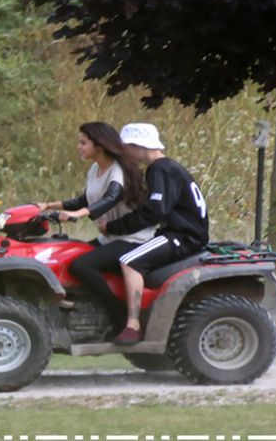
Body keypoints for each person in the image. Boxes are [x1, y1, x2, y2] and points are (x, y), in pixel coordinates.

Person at [98, 123, 210, 345]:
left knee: (129, 261)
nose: (125, 154)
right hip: (179, 232)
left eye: (127, 147)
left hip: (182, 236)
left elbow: (155, 211)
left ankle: (132, 325)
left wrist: (114, 227)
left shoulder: (160, 168)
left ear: (140, 146)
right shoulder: (169, 168)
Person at [38, 122, 155, 328]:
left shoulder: (117, 170)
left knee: (81, 264)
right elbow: (85, 199)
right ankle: (80, 306)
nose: (79, 147)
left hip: (133, 239)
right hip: (110, 238)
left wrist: (77, 215)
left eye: (83, 143)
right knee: (66, 257)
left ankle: (118, 314)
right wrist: (46, 206)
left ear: (99, 145)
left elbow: (111, 197)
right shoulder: (95, 169)